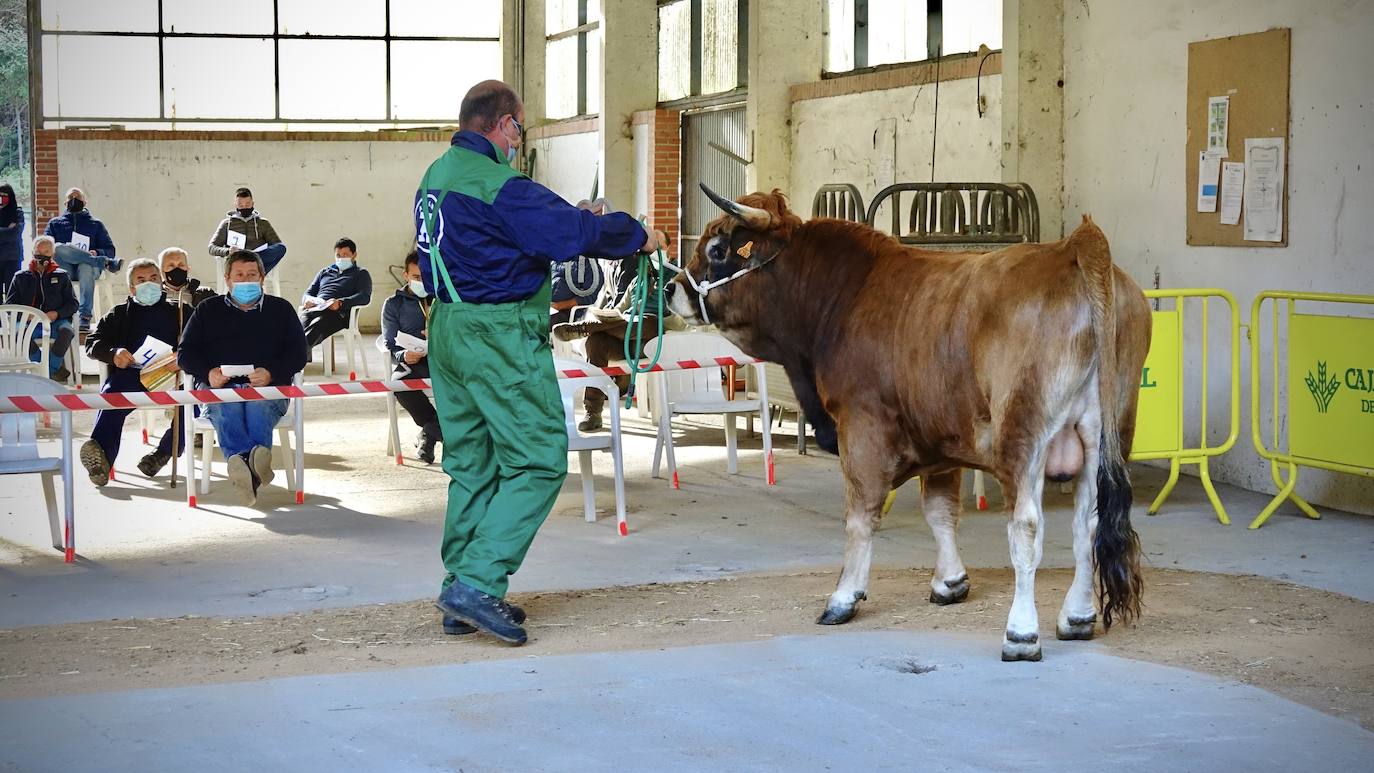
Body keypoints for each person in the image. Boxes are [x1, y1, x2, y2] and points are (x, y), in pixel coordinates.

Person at [414, 79, 667, 644]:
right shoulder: (496, 182)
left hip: (449, 328)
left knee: (475, 464)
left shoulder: (438, 176)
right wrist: (637, 235)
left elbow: (507, 236)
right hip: (497, 334)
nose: (518, 141)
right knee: (539, 460)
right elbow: (573, 233)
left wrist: (566, 218)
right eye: (519, 129)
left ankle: (462, 587)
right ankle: (477, 583)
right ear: (505, 124)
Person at [178, 250, 308, 506]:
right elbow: (185, 353)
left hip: (268, 388)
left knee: (257, 406)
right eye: (239, 275)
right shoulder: (207, 310)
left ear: (262, 278)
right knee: (228, 408)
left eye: (252, 275)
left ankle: (241, 465)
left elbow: (299, 353)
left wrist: (271, 372)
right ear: (227, 279)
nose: (246, 280)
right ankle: (254, 466)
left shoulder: (281, 310)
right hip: (220, 388)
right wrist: (209, 374)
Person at [79, 259, 186, 484]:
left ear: (162, 282)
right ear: (131, 288)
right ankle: (101, 461)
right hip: (134, 374)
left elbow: (200, 341)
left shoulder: (180, 312)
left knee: (195, 401)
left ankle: (162, 453)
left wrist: (183, 356)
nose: (149, 283)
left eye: (153, 278)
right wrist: (113, 352)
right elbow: (92, 342)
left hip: (174, 375)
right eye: (141, 280)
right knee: (112, 395)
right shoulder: (119, 314)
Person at [552, 256, 681, 430]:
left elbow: (677, 317)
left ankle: (585, 328)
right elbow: (619, 311)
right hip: (623, 337)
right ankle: (593, 412)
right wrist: (605, 317)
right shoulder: (637, 282)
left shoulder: (672, 280)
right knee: (596, 341)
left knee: (649, 321)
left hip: (650, 341)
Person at [381, 251, 441, 463]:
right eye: (416, 277)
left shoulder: (442, 300)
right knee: (398, 385)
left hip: (443, 361)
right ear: (405, 275)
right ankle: (440, 433)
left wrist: (438, 336)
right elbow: (389, 342)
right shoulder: (393, 304)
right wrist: (404, 354)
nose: (421, 282)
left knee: (461, 387)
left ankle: (429, 434)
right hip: (411, 362)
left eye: (425, 277)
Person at [43, 187, 121, 331]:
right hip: (65, 268)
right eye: (71, 197)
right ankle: (104, 263)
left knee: (85, 266)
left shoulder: (96, 224)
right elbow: (46, 247)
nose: (74, 200)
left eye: (78, 197)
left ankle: (84, 316)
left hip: (89, 270)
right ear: (65, 203)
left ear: (85, 201)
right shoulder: (54, 224)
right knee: (58, 247)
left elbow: (110, 250)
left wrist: (96, 252)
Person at [5, 236, 78, 381]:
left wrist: (57, 314)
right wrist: (26, 315)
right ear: (32, 253)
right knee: (18, 334)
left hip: (55, 322)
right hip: (28, 323)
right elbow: (9, 305)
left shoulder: (62, 276)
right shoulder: (20, 277)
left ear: (52, 255)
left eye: (46, 252)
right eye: (39, 252)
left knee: (67, 331)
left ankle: (45, 372)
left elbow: (73, 304)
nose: (42, 256)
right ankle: (50, 371)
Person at [300, 237, 372, 351]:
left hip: (338, 314)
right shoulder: (324, 272)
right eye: (338, 255)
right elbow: (308, 293)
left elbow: (364, 297)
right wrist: (307, 300)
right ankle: (296, 355)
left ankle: (294, 356)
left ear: (354, 255)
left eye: (345, 255)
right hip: (315, 309)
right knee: (295, 327)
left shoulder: (361, 273)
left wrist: (340, 303)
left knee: (318, 324)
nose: (341, 258)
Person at [207, 187, 287, 276]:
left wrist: (258, 254)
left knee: (281, 248)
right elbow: (211, 248)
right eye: (241, 205)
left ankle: (254, 263)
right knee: (247, 261)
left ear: (253, 203)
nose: (244, 207)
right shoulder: (226, 224)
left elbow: (276, 245)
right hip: (237, 261)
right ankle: (257, 272)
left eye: (247, 204)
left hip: (259, 259)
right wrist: (228, 251)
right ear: (235, 205)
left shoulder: (263, 223)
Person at [0, 183, 24, 294]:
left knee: (13, 293)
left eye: (5, 195)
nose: (1, 198)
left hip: (12, 258)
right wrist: (7, 230)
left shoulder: (17, 212)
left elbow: (15, 233)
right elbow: (10, 233)